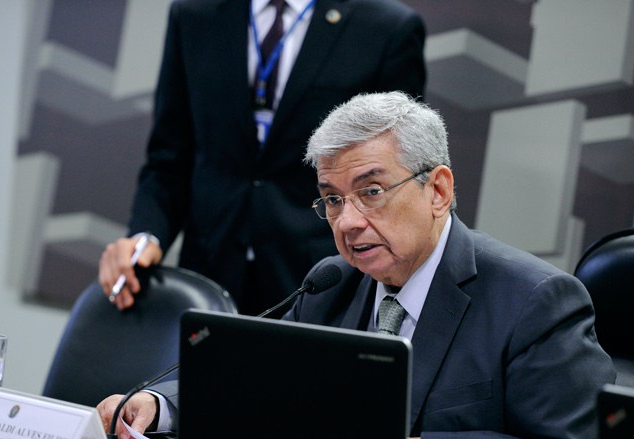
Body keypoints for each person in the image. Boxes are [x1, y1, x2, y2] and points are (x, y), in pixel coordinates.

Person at [98, 91, 617, 439]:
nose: (346, 222)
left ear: (438, 191)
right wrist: (162, 405)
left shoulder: (535, 300)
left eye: (371, 192)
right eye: (333, 199)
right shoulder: (332, 284)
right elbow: (254, 386)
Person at [98, 0, 426, 316]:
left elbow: (393, 169)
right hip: (209, 270)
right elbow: (169, 158)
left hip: (319, 282)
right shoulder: (194, 14)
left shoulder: (386, 27)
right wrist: (145, 236)